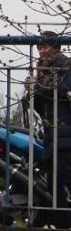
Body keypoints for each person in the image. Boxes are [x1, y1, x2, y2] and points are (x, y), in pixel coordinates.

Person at [27, 31, 71, 229]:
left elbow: (59, 90)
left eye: (45, 47)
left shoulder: (64, 66)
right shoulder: (45, 70)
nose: (41, 51)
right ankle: (61, 222)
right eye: (39, 48)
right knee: (55, 181)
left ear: (56, 47)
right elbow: (37, 104)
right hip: (53, 133)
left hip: (65, 131)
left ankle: (62, 221)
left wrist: (35, 88)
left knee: (62, 178)